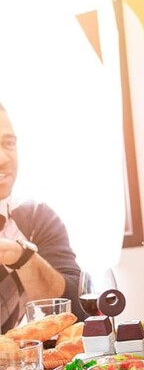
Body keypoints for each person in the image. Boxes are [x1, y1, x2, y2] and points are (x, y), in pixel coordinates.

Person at [0, 101, 81, 331]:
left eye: (8, 143)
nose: (3, 159)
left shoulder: (37, 218)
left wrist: (19, 255)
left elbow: (74, 313)